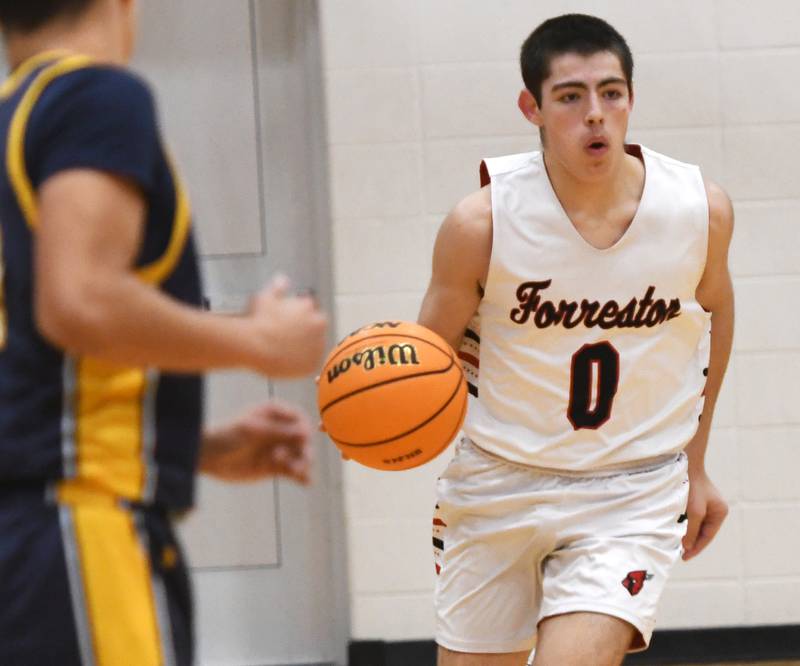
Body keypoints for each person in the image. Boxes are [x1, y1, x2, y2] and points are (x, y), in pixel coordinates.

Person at [0, 0, 327, 664]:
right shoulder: (92, 94)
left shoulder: (14, 117)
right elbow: (80, 300)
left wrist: (186, 444)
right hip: (75, 530)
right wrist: (258, 341)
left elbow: (31, 355)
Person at [419, 14, 733, 666]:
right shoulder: (480, 223)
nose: (595, 114)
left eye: (611, 93)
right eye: (570, 96)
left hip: (631, 490)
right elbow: (426, 356)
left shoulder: (697, 209)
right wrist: (371, 400)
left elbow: (716, 318)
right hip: (497, 482)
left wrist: (696, 465)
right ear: (532, 106)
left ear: (630, 99)